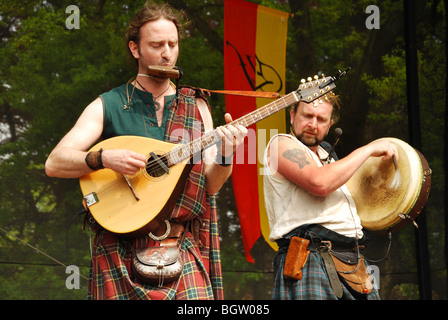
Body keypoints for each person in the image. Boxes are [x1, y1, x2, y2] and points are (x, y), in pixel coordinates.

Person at [45, 1, 247, 300]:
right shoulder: (108, 104)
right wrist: (103, 158)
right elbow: (55, 162)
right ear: (135, 49)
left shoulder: (197, 106)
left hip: (182, 244)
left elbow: (211, 185)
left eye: (172, 44)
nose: (167, 53)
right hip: (119, 245)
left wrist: (227, 154)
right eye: (156, 45)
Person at [263, 94, 398, 300]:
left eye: (321, 119)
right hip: (310, 258)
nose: (313, 124)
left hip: (353, 262)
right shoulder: (281, 144)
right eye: (307, 115)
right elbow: (319, 182)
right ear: (292, 116)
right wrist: (370, 149)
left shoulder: (329, 158)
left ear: (330, 125)